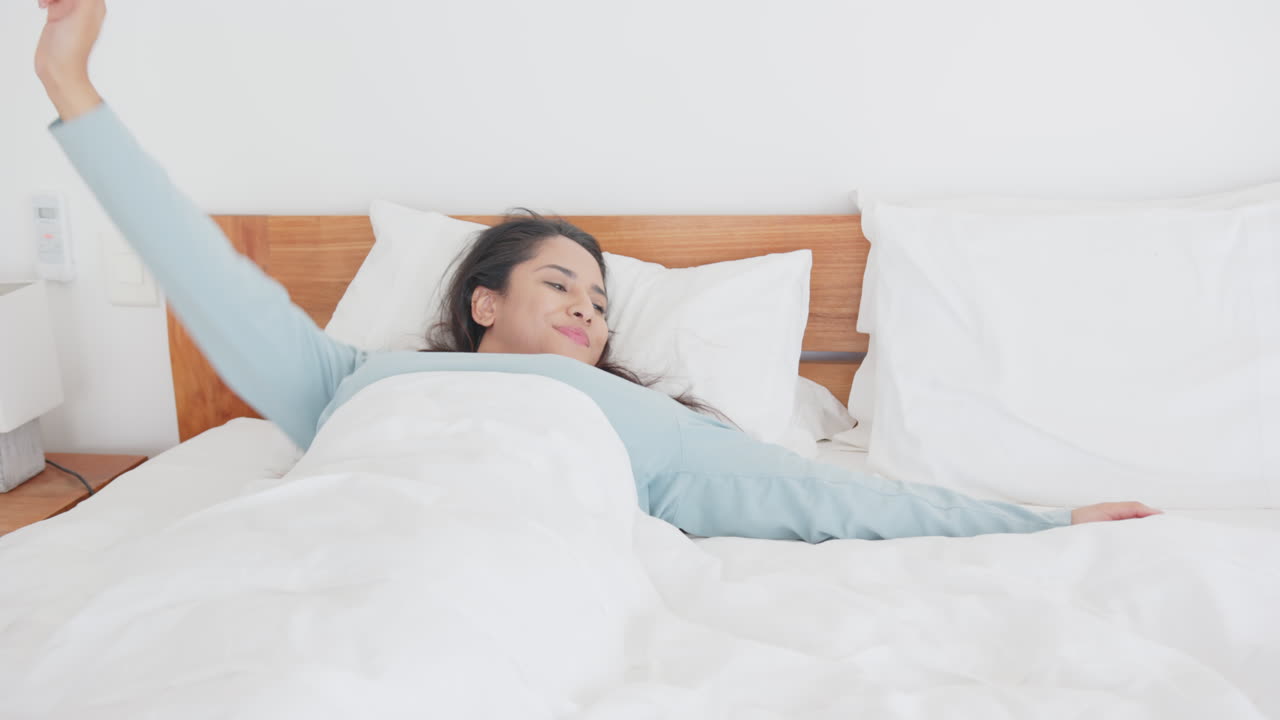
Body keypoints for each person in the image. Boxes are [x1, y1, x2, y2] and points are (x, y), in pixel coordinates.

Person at [32, 0, 1162, 542]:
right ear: (483, 302)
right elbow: (204, 272)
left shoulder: (642, 421)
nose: (587, 307)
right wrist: (68, 83)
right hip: (345, 528)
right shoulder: (346, 379)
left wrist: (1033, 525)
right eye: (560, 284)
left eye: (600, 297)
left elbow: (825, 500)